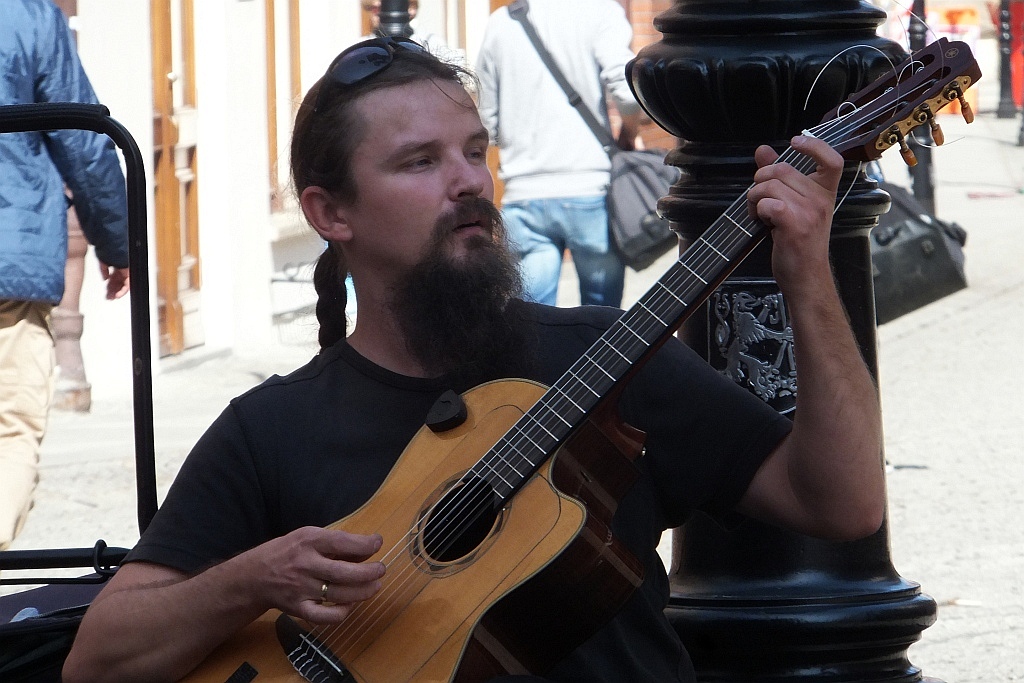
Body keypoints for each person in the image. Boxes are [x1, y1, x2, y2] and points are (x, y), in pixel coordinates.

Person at [63, 36, 883, 682]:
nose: (468, 182)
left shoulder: (609, 355)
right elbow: (98, 658)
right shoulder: (270, 428)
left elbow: (843, 504)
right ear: (329, 212)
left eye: (474, 150)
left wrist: (807, 274)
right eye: (421, 162)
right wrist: (250, 579)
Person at [0, 0, 130, 550]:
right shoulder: (27, 16)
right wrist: (120, 240)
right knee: (9, 428)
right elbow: (83, 138)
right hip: (10, 260)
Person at [476, 0, 646, 308]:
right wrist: (628, 136)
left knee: (532, 323)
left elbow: (486, 121)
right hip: (589, 188)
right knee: (601, 326)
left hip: (523, 193)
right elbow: (629, 93)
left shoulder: (501, 23)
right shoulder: (600, 12)